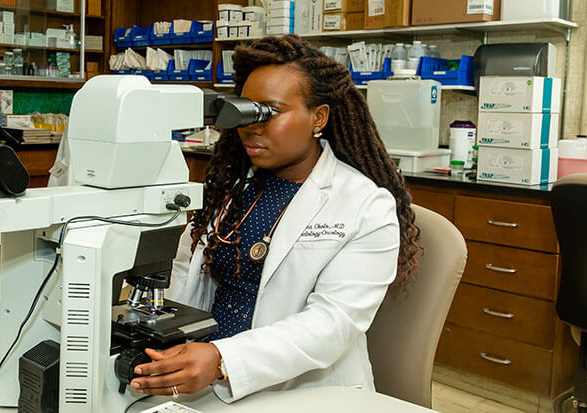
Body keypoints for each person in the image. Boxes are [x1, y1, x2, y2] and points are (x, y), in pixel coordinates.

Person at [128, 35, 421, 403]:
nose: (253, 125)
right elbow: (184, 280)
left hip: (302, 389)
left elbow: (331, 325)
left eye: (270, 112)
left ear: (318, 117)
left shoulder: (365, 206)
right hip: (204, 375)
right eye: (247, 110)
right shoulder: (230, 186)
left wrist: (223, 359)